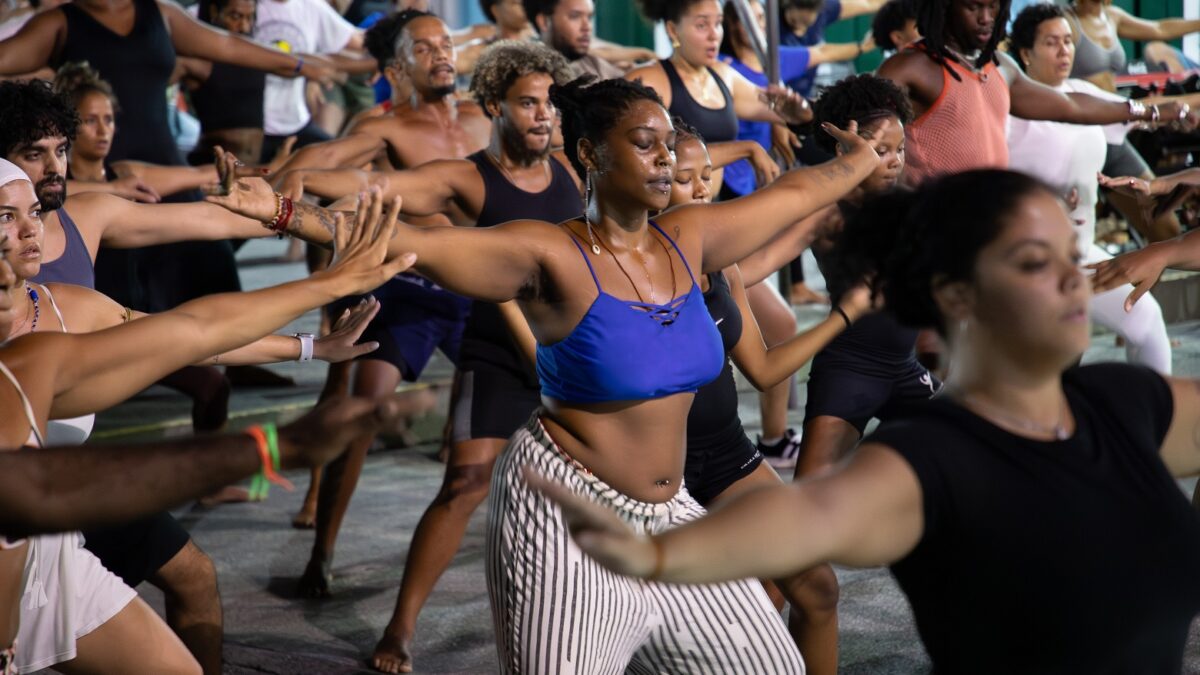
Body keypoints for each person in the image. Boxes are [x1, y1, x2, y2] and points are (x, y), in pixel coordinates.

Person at [210, 74, 880, 671]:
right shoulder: (549, 253)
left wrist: (857, 158)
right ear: (590, 154)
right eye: (644, 143)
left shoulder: (692, 235)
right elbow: (418, 244)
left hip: (674, 511)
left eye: (667, 145)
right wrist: (282, 211)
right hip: (564, 514)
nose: (664, 158)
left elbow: (798, 191)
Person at [531, 168, 1200, 674]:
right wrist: (657, 555)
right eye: (1033, 262)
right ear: (955, 295)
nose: (1073, 278)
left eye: (1068, 253)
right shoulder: (935, 456)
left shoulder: (1124, 400)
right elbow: (810, 515)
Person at [0, 165, 412, 674]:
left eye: (33, 214)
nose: (29, 230)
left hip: (50, 558)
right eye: (6, 218)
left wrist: (319, 321)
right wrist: (276, 447)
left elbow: (192, 332)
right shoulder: (22, 366)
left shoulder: (54, 329)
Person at [1007, 2, 1171, 374]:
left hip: (1082, 252)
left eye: (1068, 41)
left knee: (1146, 323)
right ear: (1025, 53)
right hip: (1027, 263)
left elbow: (1145, 109)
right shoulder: (1008, 113)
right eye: (1052, 43)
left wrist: (1182, 109)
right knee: (1053, 366)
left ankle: (1156, 421)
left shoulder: (1082, 92)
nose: (1065, 50)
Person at [877, 0, 1188, 188]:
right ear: (944, 7)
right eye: (973, 7)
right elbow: (866, 145)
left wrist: (1151, 112)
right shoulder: (909, 67)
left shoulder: (1000, 66)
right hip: (931, 226)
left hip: (989, 222)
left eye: (992, 6)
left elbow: (1070, 105)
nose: (986, 17)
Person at [626, 0, 813, 196]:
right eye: (702, 25)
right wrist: (746, 149)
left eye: (718, 23)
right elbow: (650, 159)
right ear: (673, 30)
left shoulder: (724, 75)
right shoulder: (650, 80)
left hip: (713, 206)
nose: (714, 34)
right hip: (668, 216)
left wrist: (801, 115)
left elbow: (780, 110)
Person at [54, 62, 222, 199]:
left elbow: (197, 174)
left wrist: (242, 170)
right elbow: (52, 190)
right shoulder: (55, 180)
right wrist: (113, 189)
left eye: (108, 120)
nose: (103, 130)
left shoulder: (124, 174)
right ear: (69, 125)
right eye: (90, 120)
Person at [183, 0, 269, 164]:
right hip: (212, 169)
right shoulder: (199, 61)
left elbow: (290, 63)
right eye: (235, 16)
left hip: (250, 167)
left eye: (250, 17)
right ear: (215, 11)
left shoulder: (256, 56)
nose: (244, 26)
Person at [780, 0, 887, 96]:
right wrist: (863, 47)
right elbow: (822, 52)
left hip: (804, 93)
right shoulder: (768, 24)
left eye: (807, 24)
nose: (800, 30)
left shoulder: (825, 10)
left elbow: (869, 4)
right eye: (793, 22)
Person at [522, 0, 650, 80]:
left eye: (589, 17)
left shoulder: (595, 65)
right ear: (544, 21)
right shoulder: (524, 71)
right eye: (575, 16)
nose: (587, 27)